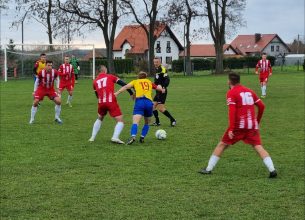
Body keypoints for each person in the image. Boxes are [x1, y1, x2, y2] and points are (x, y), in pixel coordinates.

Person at [198, 73, 277, 178]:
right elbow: (262, 106)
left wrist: (231, 128)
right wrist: (256, 121)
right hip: (251, 126)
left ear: (229, 82)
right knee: (258, 146)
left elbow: (232, 111)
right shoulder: (250, 91)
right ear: (239, 80)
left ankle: (208, 169)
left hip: (238, 126)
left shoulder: (231, 93)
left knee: (222, 144)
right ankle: (272, 170)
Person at [115, 71, 165, 145]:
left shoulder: (135, 81)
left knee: (136, 122)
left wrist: (117, 93)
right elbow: (160, 89)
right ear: (146, 77)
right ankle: (142, 137)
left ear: (138, 77)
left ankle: (133, 136)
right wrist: (161, 87)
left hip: (140, 102)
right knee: (147, 123)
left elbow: (125, 86)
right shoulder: (149, 82)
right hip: (149, 103)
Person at [88, 65, 134, 144]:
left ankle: (92, 138)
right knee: (120, 121)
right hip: (110, 101)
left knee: (100, 118)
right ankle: (115, 137)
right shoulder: (110, 76)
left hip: (101, 102)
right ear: (104, 70)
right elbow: (123, 84)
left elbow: (97, 95)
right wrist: (131, 93)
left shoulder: (94, 81)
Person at [29, 60, 62, 124]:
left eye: (51, 65)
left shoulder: (54, 72)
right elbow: (37, 82)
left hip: (50, 90)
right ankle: (32, 119)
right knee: (35, 102)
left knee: (59, 101)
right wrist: (34, 91)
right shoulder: (41, 72)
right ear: (45, 66)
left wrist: (58, 88)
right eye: (48, 65)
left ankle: (57, 117)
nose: (50, 67)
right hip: (41, 89)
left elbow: (57, 78)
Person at [152, 57, 176, 127]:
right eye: (154, 62)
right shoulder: (157, 69)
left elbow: (167, 79)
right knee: (152, 106)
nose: (155, 63)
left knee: (161, 108)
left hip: (162, 91)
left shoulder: (162, 69)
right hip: (158, 91)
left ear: (160, 62)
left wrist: (164, 87)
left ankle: (173, 120)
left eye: (157, 62)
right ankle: (157, 122)